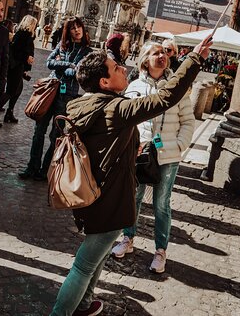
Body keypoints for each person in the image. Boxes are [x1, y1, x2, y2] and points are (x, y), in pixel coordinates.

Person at [49, 36, 212, 315]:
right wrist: (194, 58)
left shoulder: (83, 104)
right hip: (110, 199)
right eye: (116, 68)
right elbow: (165, 97)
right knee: (84, 265)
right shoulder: (115, 110)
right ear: (103, 82)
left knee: (98, 256)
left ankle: (84, 305)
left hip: (95, 193)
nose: (123, 68)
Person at [111, 41, 195, 273]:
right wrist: (130, 145)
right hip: (139, 153)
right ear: (145, 59)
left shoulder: (177, 87)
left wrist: (179, 145)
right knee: (133, 198)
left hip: (167, 154)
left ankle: (160, 250)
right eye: (155, 52)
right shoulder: (134, 86)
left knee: (161, 203)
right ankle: (127, 239)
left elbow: (188, 121)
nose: (162, 55)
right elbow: (125, 118)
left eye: (164, 52)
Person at [19, 17, 92, 181]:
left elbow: (77, 73)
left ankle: (45, 170)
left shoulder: (87, 51)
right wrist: (69, 64)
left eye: (79, 26)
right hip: (50, 92)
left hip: (67, 97)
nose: (77, 30)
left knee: (56, 136)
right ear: (68, 31)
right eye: (73, 28)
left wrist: (63, 64)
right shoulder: (62, 45)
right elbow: (49, 62)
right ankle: (32, 167)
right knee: (39, 132)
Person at [0, 15, 36, 123]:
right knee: (11, 91)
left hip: (20, 67)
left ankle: (9, 113)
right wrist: (27, 58)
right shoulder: (23, 35)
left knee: (17, 91)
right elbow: (16, 51)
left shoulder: (25, 35)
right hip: (16, 67)